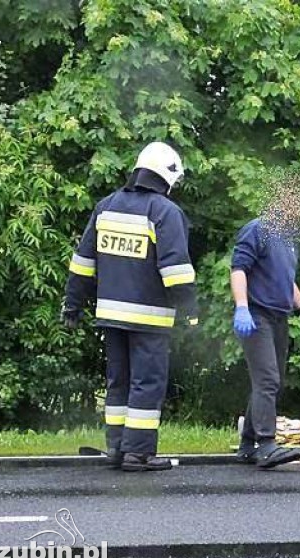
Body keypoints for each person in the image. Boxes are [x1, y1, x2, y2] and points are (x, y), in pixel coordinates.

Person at [62, 142, 199, 472]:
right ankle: (139, 454)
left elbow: (83, 262)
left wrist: (73, 303)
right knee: (147, 383)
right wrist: (190, 309)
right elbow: (175, 268)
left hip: (110, 316)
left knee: (118, 381)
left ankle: (117, 449)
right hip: (149, 318)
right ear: (166, 176)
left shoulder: (106, 206)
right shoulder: (165, 212)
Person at [230, 215, 300, 468]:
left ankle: (247, 445)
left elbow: (286, 280)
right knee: (268, 379)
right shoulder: (257, 230)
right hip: (257, 314)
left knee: (271, 381)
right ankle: (266, 444)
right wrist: (242, 306)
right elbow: (239, 269)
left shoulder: (288, 239)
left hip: (279, 316)